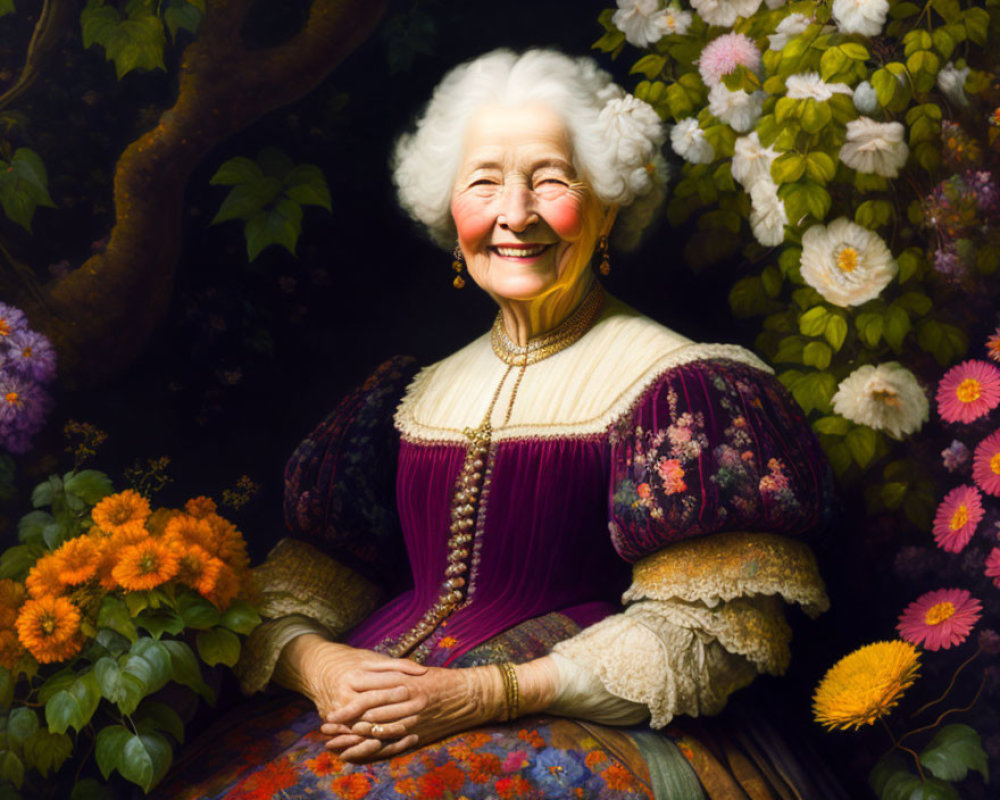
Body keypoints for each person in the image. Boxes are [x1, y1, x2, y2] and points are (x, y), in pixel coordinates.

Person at [156, 49, 840, 799]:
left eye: (551, 179)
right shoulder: (405, 398)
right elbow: (299, 593)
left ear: (608, 201)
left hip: (575, 723)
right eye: (485, 183)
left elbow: (707, 636)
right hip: (362, 711)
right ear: (451, 213)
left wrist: (479, 697)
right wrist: (325, 667)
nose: (516, 215)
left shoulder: (685, 390)